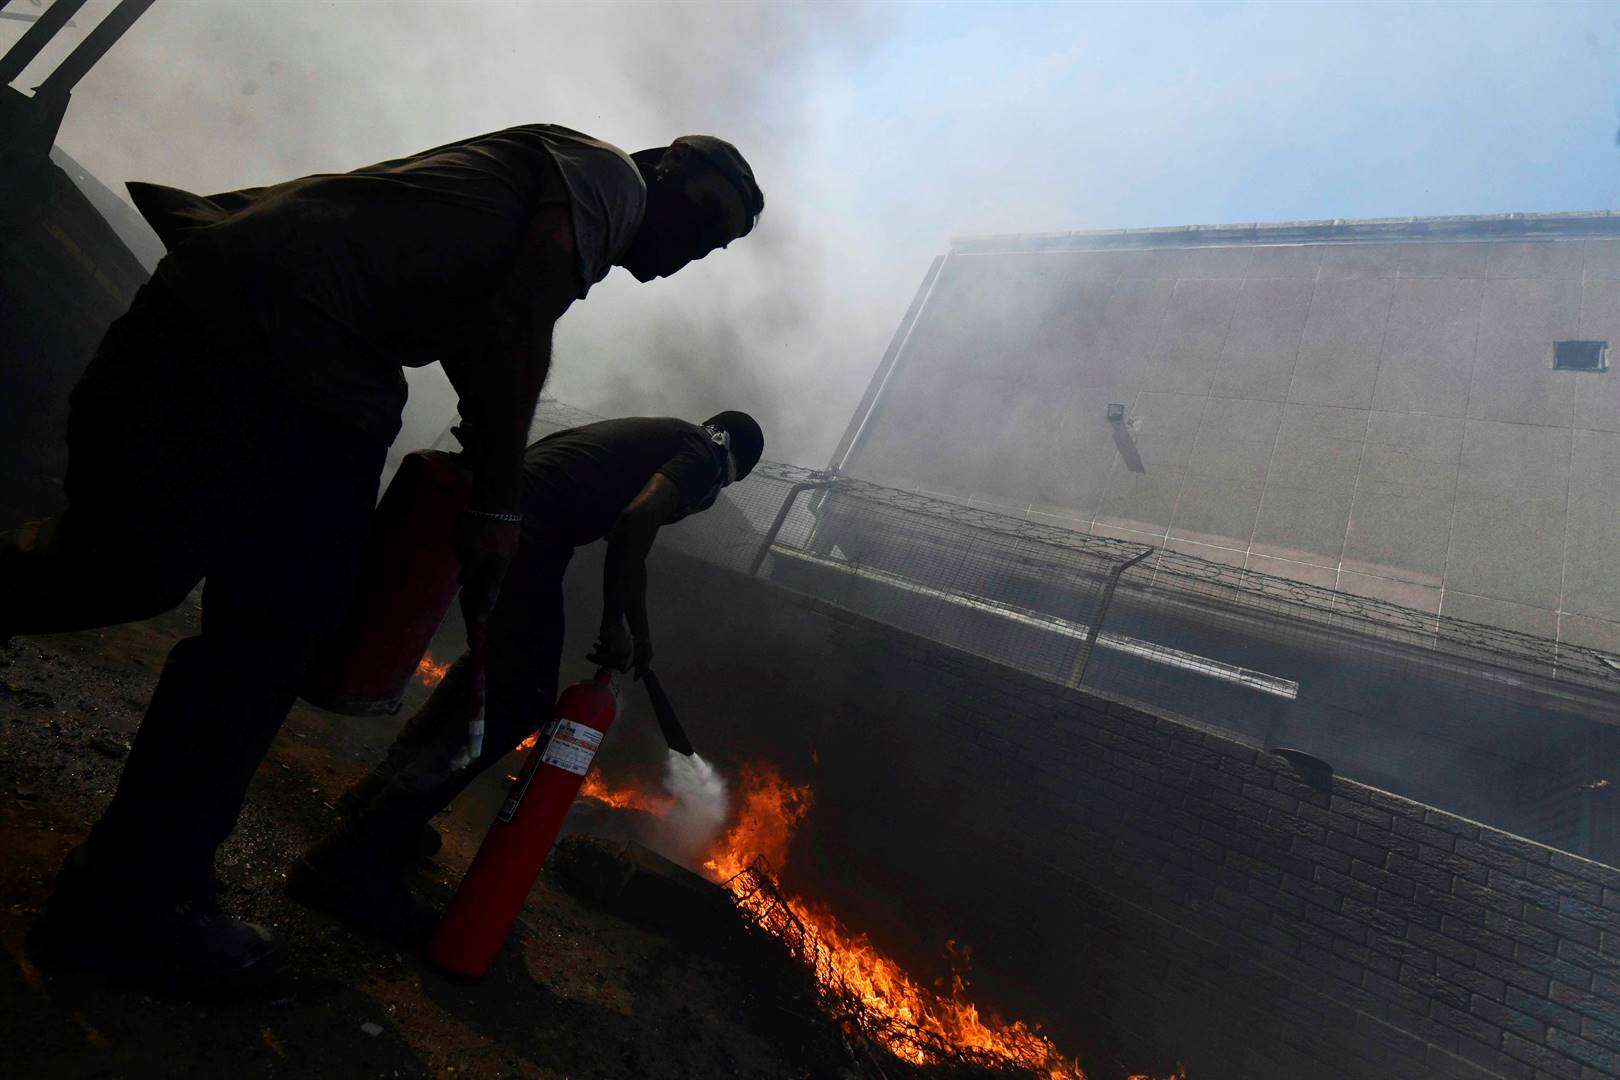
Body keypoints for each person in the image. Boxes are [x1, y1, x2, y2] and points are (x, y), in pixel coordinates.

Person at [2, 125, 764, 985]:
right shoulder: (606, 181)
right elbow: (519, 321)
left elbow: (487, 331)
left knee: (127, 573)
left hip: (248, 328)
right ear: (663, 167)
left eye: (719, 246)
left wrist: (497, 485)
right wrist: (502, 502)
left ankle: (141, 892)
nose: (698, 251)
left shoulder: (549, 204)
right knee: (260, 637)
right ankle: (141, 900)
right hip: (291, 351)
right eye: (705, 219)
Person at [287, 411, 766, 942]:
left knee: (492, 670)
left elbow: (621, 526)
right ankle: (354, 857)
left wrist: (638, 629)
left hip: (509, 514)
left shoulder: (665, 434)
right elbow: (635, 523)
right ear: (731, 463)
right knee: (522, 696)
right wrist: (614, 623)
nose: (710, 497)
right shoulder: (703, 454)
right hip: (530, 527)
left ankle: (373, 804)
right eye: (724, 486)